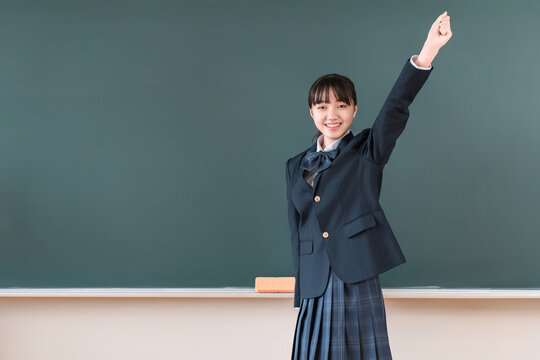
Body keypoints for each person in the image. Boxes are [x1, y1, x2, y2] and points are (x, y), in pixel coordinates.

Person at [285, 11, 452, 359]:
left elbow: (395, 108)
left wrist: (427, 53)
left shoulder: (366, 151)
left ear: (355, 110)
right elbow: (297, 229)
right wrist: (302, 289)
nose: (332, 114)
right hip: (315, 283)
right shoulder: (294, 165)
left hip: (354, 275)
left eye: (341, 105)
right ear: (311, 112)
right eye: (322, 106)